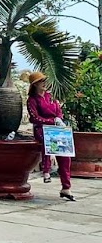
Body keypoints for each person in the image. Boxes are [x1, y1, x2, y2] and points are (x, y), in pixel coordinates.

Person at [28, 72, 75, 201]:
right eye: (41, 81)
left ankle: (66, 187)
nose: (44, 83)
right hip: (41, 128)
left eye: (44, 80)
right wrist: (51, 121)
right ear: (35, 84)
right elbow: (34, 118)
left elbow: (58, 111)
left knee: (65, 154)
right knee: (47, 141)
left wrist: (58, 119)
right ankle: (46, 170)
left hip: (56, 128)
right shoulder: (32, 100)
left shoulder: (51, 96)